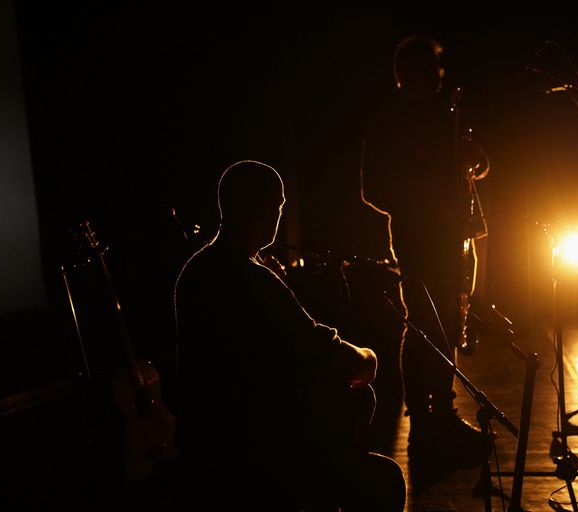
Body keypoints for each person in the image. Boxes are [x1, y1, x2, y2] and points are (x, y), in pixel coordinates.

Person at [173, 160, 406, 510]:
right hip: (262, 447)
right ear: (264, 210)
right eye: (277, 207)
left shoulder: (195, 271)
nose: (278, 216)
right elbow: (321, 349)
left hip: (209, 438)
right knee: (383, 479)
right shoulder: (251, 277)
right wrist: (368, 357)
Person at [360, 34, 490, 466]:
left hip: (452, 233)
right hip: (419, 234)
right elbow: (372, 188)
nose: (436, 81)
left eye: (437, 73)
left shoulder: (445, 115)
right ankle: (422, 420)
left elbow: (479, 163)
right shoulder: (388, 121)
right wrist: (424, 199)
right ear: (404, 75)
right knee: (422, 325)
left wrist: (472, 158)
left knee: (450, 321)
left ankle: (444, 413)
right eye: (428, 73)